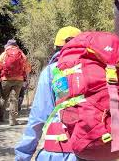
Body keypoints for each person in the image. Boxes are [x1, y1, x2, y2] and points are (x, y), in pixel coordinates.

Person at [15, 26, 82, 161]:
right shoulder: (99, 70)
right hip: (94, 149)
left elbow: (38, 118)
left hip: (61, 151)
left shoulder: (52, 71)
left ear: (56, 47)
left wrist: (22, 156)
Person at [0, 39, 31, 126]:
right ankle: (12, 120)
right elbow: (28, 68)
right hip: (19, 80)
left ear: (7, 46)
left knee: (4, 98)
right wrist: (26, 77)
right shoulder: (21, 54)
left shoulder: (4, 54)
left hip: (6, 79)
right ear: (16, 45)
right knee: (14, 99)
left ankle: (0, 117)